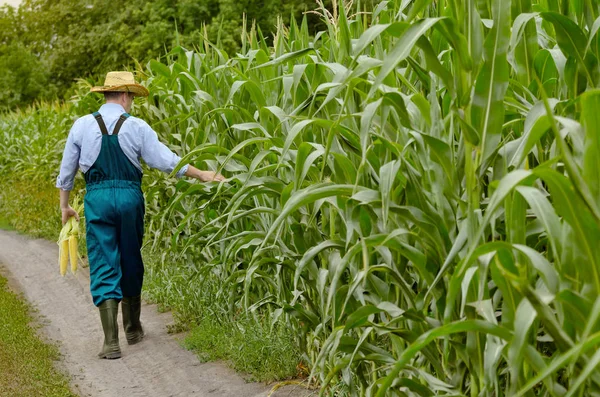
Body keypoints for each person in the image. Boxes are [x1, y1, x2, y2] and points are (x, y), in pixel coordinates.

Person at [56, 71, 224, 359]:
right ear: (124, 96)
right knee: (130, 257)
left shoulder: (82, 125)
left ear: (107, 95)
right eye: (131, 97)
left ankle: (111, 342)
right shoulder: (137, 127)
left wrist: (65, 206)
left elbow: (67, 171)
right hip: (129, 197)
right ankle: (133, 328)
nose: (131, 102)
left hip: (97, 198)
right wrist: (202, 174)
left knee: (102, 262)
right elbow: (167, 161)